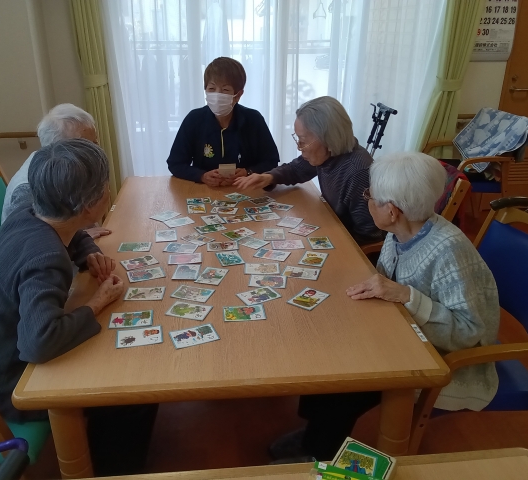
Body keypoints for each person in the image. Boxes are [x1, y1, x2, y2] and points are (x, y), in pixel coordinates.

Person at [269, 152, 500, 462]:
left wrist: (407, 296)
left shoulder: (449, 252)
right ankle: (315, 432)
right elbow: (388, 277)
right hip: (400, 328)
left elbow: (469, 332)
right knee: (329, 348)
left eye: (370, 197)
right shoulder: (402, 230)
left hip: (443, 355)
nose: (367, 201)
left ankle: (318, 449)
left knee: (352, 378)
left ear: (392, 211)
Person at [0, 139, 157, 475]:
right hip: (2, 388)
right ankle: (109, 472)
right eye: (104, 187)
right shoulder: (46, 258)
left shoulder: (28, 213)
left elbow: (73, 233)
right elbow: (39, 342)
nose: (108, 190)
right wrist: (96, 302)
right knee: (132, 397)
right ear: (89, 205)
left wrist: (89, 252)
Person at [233, 96, 383, 245]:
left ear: (327, 138)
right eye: (297, 138)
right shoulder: (328, 154)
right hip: (331, 227)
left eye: (303, 140)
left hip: (350, 246)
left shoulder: (358, 172)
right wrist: (269, 177)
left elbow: (370, 234)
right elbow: (296, 169)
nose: (299, 146)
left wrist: (327, 243)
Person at [1, 103, 111, 239]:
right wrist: (80, 237)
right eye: (87, 146)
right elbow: (30, 240)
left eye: (95, 142)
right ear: (60, 150)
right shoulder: (26, 189)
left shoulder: (62, 167)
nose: (97, 150)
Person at [167, 57, 279, 187]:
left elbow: (271, 161)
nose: (217, 95)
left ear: (238, 95)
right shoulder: (194, 119)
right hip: (205, 191)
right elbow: (175, 163)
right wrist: (201, 176)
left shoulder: (254, 119)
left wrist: (248, 172)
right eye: (211, 89)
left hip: (245, 190)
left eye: (225, 90)